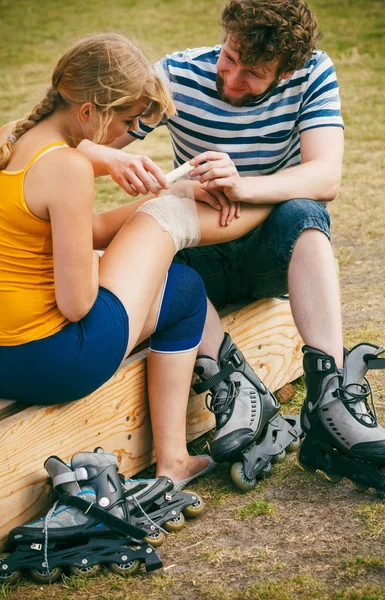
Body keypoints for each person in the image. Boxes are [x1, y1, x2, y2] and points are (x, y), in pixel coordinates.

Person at [78, 3, 385, 496]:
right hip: (200, 252)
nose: (231, 80)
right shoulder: (178, 75)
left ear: (287, 69)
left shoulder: (314, 73)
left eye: (254, 73)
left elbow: (325, 175)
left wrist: (242, 184)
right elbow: (73, 140)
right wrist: (112, 160)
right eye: (229, 58)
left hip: (272, 251)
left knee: (304, 213)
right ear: (224, 37)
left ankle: (330, 398)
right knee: (157, 240)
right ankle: (234, 385)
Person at [0, 32, 278, 489]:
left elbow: (65, 230)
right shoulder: (67, 170)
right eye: (126, 122)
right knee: (176, 264)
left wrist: (125, 181)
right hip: (54, 360)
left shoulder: (13, 136)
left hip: (5, 357)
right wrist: (96, 260)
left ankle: (176, 462)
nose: (124, 137)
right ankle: (172, 460)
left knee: (171, 271)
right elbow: (76, 306)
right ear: (90, 112)